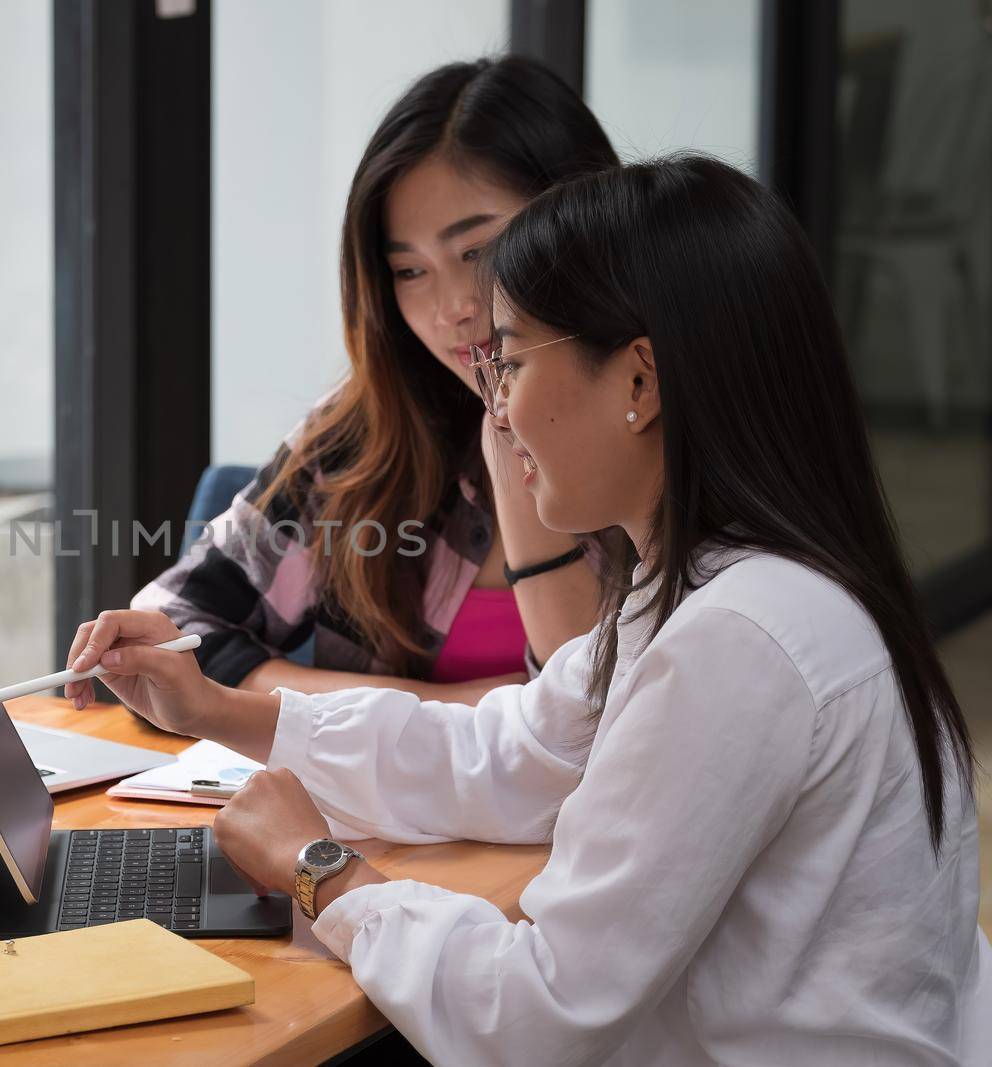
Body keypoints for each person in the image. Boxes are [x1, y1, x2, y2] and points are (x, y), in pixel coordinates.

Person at [66, 156, 989, 1064]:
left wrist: (323, 870)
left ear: (638, 384)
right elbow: (516, 748)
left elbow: (536, 1015)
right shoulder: (725, 582)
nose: (494, 408)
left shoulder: (737, 641)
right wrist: (219, 711)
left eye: (507, 362)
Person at [129, 57, 620, 707]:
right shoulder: (370, 428)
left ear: (584, 217)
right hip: (367, 814)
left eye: (477, 251)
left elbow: (594, 726)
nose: (450, 308)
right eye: (409, 272)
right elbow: (167, 631)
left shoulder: (657, 429)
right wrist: (458, 712)